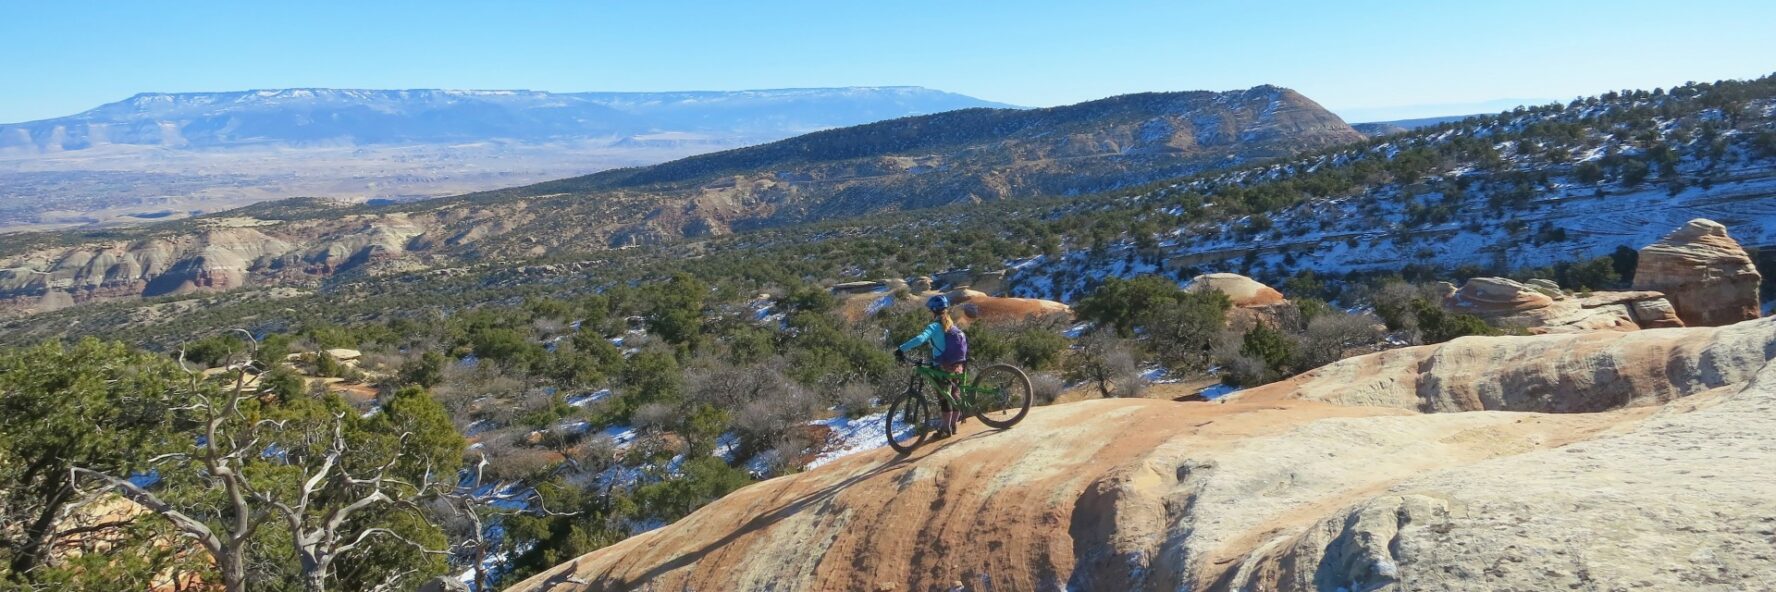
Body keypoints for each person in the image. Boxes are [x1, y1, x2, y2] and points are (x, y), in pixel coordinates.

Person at [894, 295, 968, 437]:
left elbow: (920, 339)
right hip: (957, 365)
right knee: (954, 394)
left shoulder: (934, 326)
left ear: (934, 311)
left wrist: (901, 349)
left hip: (942, 365)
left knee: (944, 397)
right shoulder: (951, 324)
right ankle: (953, 425)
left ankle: (945, 429)